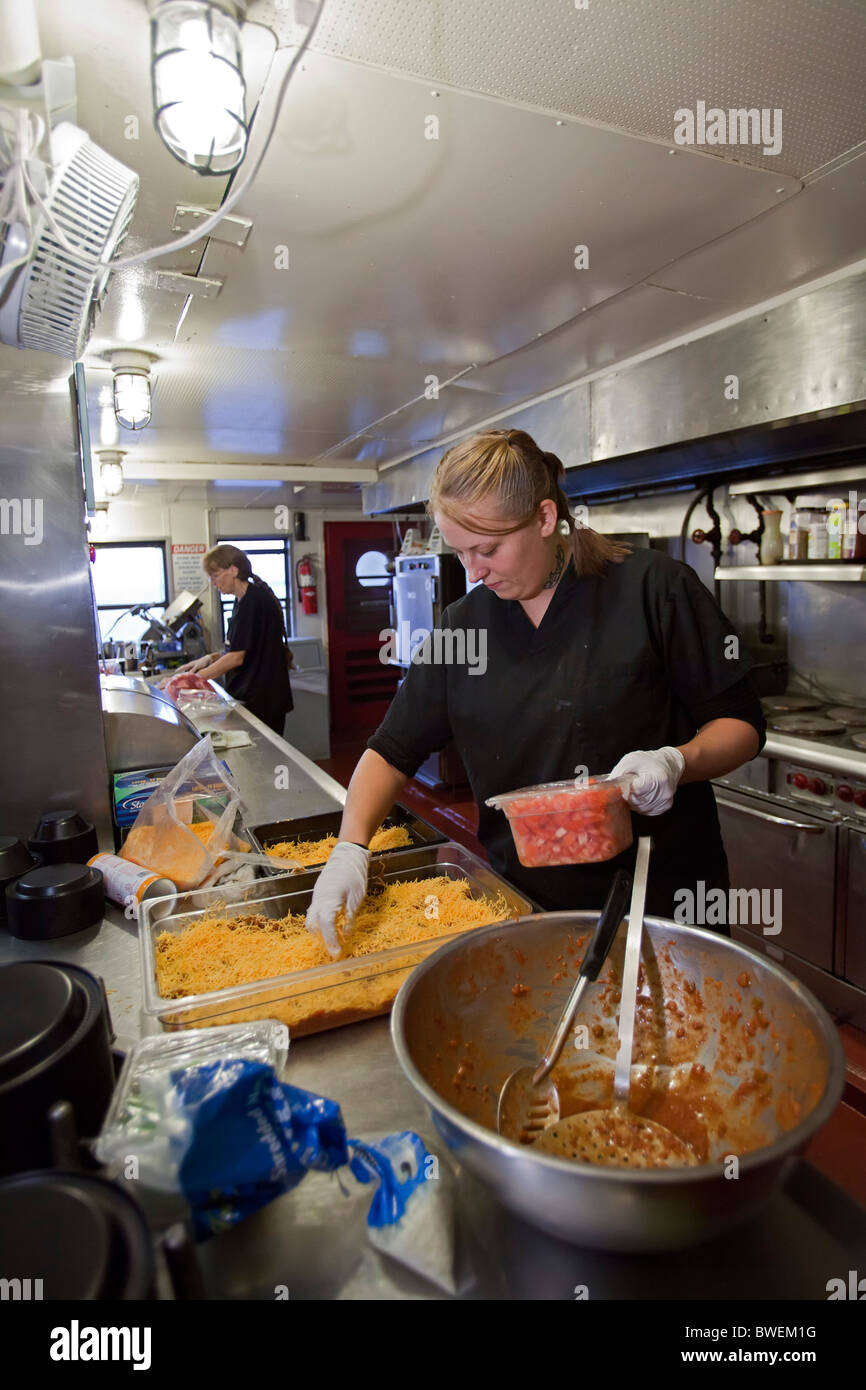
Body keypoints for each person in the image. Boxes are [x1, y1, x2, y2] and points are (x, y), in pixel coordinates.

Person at [306, 428, 765, 956]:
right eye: (459, 554)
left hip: (658, 900)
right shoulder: (463, 627)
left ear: (545, 518)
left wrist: (676, 761)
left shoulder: (654, 590)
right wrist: (350, 847)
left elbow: (742, 723)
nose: (473, 573)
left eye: (487, 549)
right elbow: (392, 750)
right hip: (522, 903)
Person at [169, 544, 293, 735]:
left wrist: (189, 681)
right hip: (252, 696)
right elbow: (241, 648)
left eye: (215, 575)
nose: (213, 582)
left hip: (263, 700)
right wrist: (210, 658)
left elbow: (237, 657)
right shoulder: (241, 601)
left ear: (233, 570)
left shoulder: (253, 601)